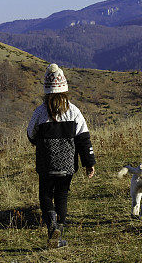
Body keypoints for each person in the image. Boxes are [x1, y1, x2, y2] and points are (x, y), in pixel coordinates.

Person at [27, 63, 96, 247]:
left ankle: (51, 228)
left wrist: (38, 143)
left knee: (45, 196)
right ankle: (60, 230)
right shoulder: (74, 111)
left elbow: (30, 133)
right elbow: (84, 138)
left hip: (46, 163)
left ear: (46, 90)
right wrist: (89, 162)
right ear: (64, 88)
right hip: (67, 165)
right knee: (62, 196)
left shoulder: (40, 111)